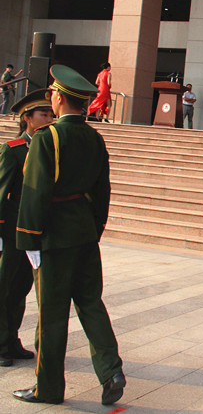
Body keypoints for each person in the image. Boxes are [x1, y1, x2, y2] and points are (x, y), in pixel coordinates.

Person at [13, 65, 125, 406]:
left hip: (53, 237)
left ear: (59, 99)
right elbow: (102, 190)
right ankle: (111, 371)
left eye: (52, 94)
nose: (51, 98)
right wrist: (95, 228)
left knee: (52, 314)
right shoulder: (95, 137)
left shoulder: (47, 137)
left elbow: (35, 191)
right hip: (85, 232)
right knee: (90, 303)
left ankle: (48, 388)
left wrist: (28, 238)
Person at [0, 90, 54, 368]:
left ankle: (11, 339)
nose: (49, 119)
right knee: (3, 286)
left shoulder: (51, 147)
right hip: (12, 227)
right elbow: (1, 191)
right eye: (43, 114)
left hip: (35, 229)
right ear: (28, 119)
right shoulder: (13, 149)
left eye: (51, 114)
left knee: (21, 287)